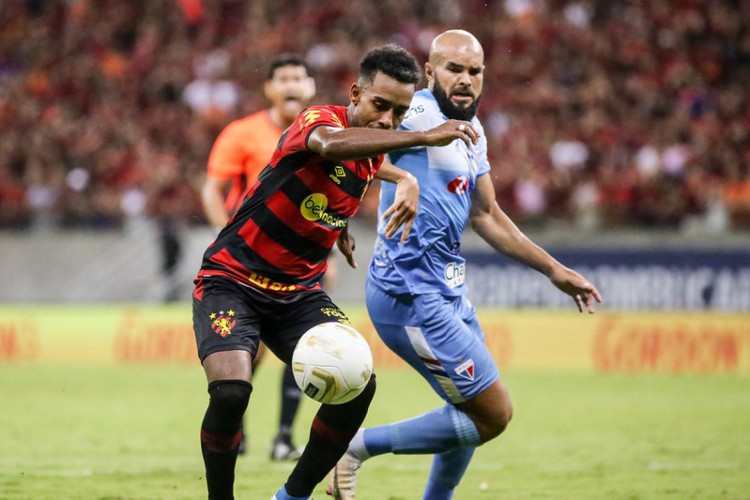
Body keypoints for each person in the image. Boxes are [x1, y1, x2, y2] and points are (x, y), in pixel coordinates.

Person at [192, 43, 481, 500]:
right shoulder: (317, 120)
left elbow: (346, 173)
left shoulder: (369, 153)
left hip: (298, 295)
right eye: (380, 105)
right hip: (233, 281)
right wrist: (423, 138)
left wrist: (342, 222)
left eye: (400, 112)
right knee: (231, 393)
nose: (388, 119)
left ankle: (292, 496)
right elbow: (329, 147)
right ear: (354, 94)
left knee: (359, 387)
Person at [328, 30, 603, 500]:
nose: (465, 80)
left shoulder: (472, 131)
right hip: (409, 293)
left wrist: (553, 269)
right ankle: (354, 448)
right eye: (454, 69)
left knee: (466, 414)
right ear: (431, 72)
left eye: (474, 71)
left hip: (448, 289)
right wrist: (370, 196)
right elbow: (349, 141)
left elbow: (486, 215)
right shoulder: (412, 110)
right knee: (492, 415)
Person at [201, 54, 319, 461]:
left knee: (307, 345)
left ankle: (284, 436)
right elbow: (211, 189)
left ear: (311, 87)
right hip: (248, 262)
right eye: (283, 78)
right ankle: (238, 431)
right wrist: (226, 237)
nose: (291, 85)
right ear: (269, 88)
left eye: (298, 78)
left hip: (303, 258)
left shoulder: (326, 134)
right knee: (248, 351)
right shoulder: (243, 132)